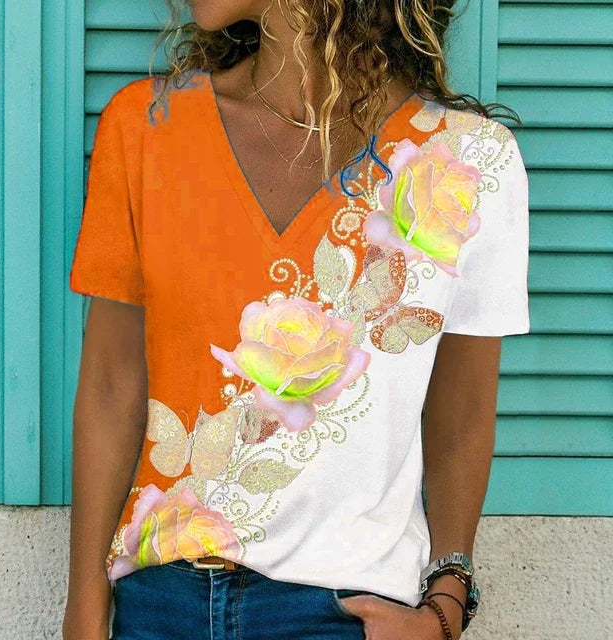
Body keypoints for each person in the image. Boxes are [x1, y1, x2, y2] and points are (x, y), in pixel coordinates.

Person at [62, 1, 530, 639]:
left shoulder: (469, 161)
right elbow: (111, 387)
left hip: (345, 612)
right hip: (158, 604)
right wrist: (85, 607)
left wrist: (445, 608)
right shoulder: (148, 125)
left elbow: (462, 413)